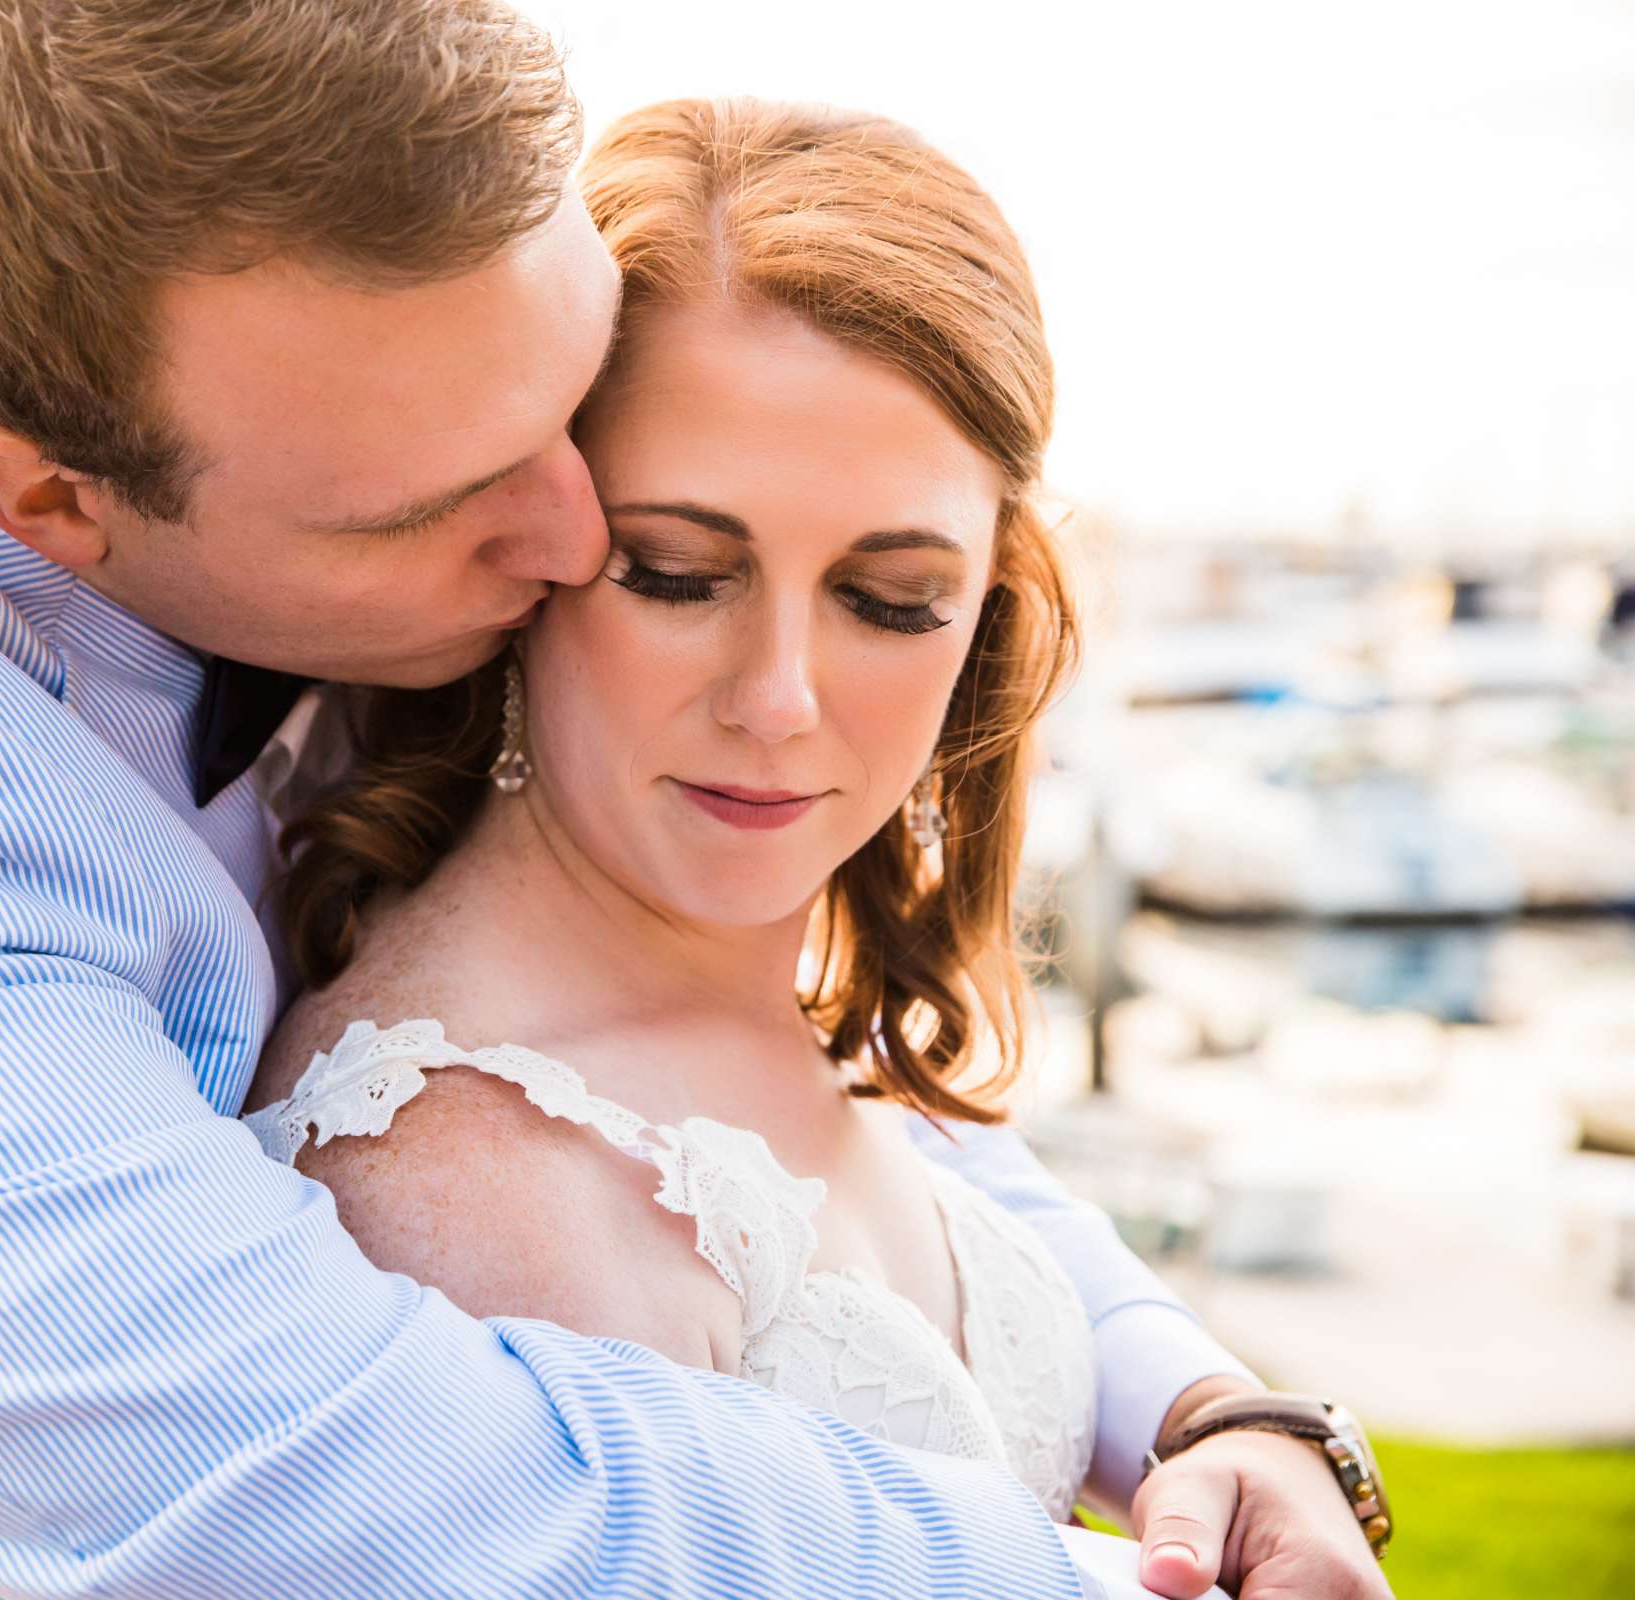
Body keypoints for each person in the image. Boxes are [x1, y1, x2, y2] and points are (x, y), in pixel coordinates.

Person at [0, 3, 1385, 1596]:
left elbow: (740, 1078)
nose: (563, 534)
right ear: (50, 501)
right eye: (449, 493)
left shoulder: (326, 495)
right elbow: (337, 1496)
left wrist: (1202, 1407)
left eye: (564, 399)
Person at [253, 96, 1396, 1599]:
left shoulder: (770, 1001)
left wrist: (1223, 1421)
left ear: (988, 607)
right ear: (530, 549)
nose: (779, 701)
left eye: (893, 599)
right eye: (675, 573)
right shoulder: (477, 1175)